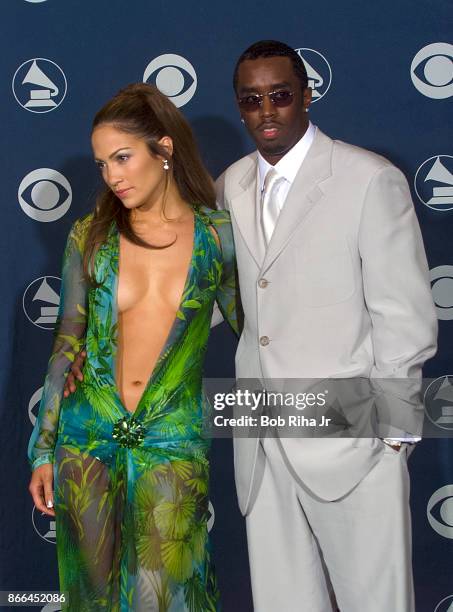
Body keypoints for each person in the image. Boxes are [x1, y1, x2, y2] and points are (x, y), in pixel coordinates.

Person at [214, 40, 438, 611]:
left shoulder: (367, 179)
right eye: (252, 99)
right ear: (239, 107)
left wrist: (393, 434)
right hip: (261, 436)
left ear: (307, 97)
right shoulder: (230, 186)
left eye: (280, 95)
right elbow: (221, 303)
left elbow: (404, 314)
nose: (267, 110)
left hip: (352, 435)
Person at [28, 82, 238, 612]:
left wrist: (337, 407)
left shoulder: (219, 237)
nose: (112, 176)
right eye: (102, 164)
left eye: (122, 158)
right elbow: (66, 342)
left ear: (163, 150)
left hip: (172, 439)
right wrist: (44, 447)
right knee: (90, 596)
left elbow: (261, 331)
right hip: (86, 434)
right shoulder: (90, 235)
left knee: (164, 594)